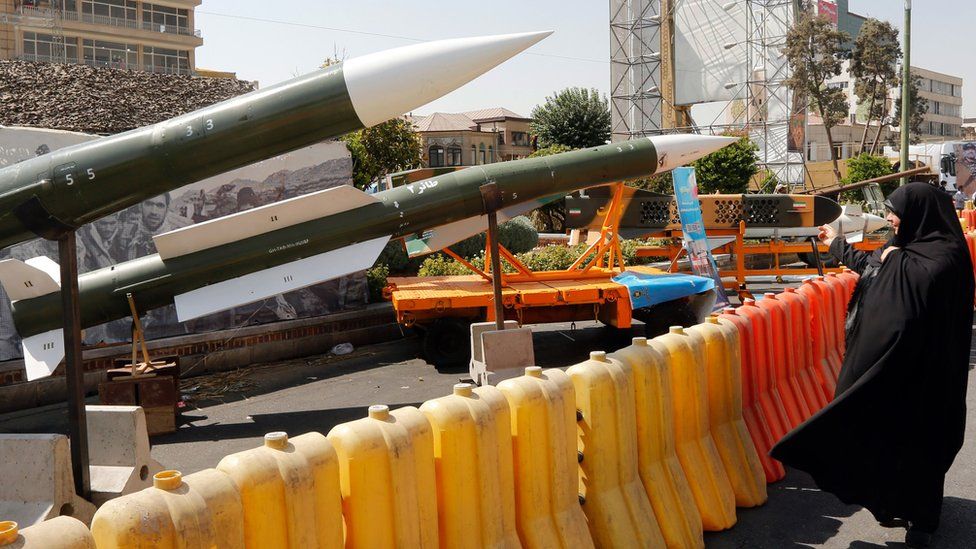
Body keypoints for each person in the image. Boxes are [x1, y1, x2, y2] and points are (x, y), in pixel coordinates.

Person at [771, 183, 973, 548]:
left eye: (896, 211)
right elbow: (871, 267)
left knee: (922, 442)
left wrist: (894, 260)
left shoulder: (939, 258)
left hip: (928, 372)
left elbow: (904, 290)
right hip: (908, 370)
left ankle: (923, 520)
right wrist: (836, 243)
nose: (892, 218)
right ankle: (895, 504)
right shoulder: (918, 250)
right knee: (894, 438)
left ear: (919, 214)